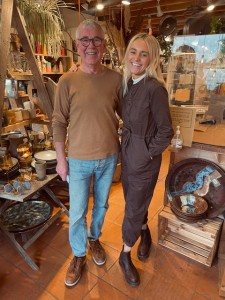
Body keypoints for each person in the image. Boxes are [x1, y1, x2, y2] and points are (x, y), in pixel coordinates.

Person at [52, 19, 122, 287]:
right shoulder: (66, 81)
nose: (91, 45)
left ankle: (94, 239)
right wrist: (61, 159)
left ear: (103, 45)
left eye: (96, 40)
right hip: (78, 160)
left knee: (102, 206)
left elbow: (128, 115)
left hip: (108, 158)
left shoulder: (115, 79)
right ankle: (79, 255)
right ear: (77, 45)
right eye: (85, 40)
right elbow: (58, 121)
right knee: (78, 211)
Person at [119, 33, 174, 287]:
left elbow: (166, 131)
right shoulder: (129, 83)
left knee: (132, 208)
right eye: (133, 52)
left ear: (152, 58)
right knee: (133, 200)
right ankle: (144, 232)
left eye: (143, 53)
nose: (137, 58)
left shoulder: (155, 88)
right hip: (128, 151)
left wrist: (147, 152)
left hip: (143, 156)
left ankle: (124, 254)